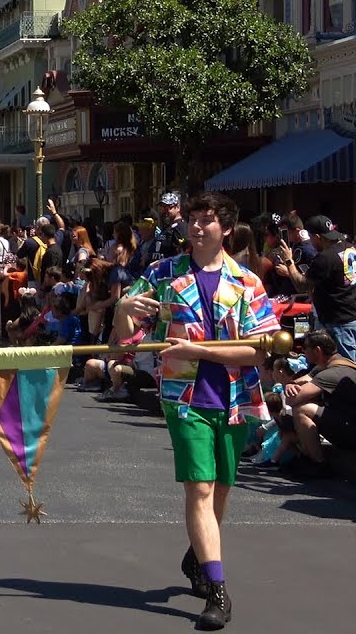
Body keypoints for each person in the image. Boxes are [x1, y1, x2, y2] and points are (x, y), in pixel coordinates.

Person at [116, 191, 279, 630]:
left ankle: (198, 556)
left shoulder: (247, 282)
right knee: (201, 489)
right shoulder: (163, 273)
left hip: (236, 397)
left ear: (225, 228)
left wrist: (200, 350)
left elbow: (259, 351)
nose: (196, 226)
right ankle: (218, 591)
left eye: (206, 220)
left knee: (220, 490)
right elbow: (127, 338)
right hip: (184, 399)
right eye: (193, 218)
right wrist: (123, 309)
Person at [279, 215, 356, 359]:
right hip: (349, 315)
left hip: (337, 323)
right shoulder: (349, 248)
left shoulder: (325, 258)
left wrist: (289, 261)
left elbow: (301, 285)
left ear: (317, 237)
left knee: (346, 365)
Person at [284, 330, 356, 475]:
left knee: (302, 409)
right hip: (344, 421)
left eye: (305, 348)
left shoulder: (331, 373)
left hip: (352, 430)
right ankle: (306, 456)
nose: (303, 351)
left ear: (317, 350)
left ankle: (319, 463)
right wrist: (290, 385)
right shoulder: (329, 364)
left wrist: (291, 389)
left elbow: (292, 400)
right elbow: (300, 382)